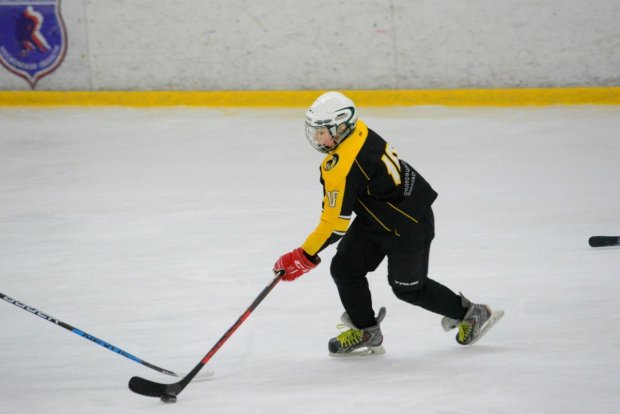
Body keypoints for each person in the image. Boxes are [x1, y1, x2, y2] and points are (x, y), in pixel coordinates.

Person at [274, 91, 502, 356]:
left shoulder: (342, 165)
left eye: (322, 131)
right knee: (345, 268)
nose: (316, 137)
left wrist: (304, 255)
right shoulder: (358, 130)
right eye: (315, 131)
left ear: (341, 127)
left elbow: (334, 224)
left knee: (408, 289)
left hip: (410, 224)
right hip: (380, 215)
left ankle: (472, 314)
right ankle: (366, 331)